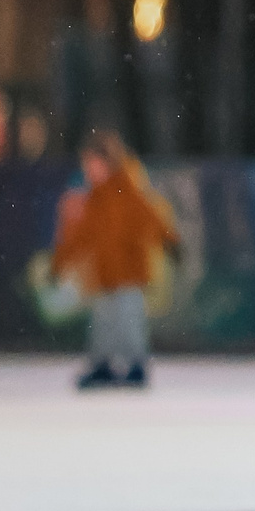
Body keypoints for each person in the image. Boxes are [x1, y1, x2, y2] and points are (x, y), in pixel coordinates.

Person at [50, 131, 181, 390]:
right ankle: (102, 365)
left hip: (129, 273)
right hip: (105, 275)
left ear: (107, 162)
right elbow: (80, 238)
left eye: (92, 163)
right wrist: (59, 264)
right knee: (102, 325)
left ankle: (136, 365)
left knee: (129, 323)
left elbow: (150, 217)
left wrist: (170, 241)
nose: (88, 170)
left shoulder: (128, 190)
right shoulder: (95, 199)